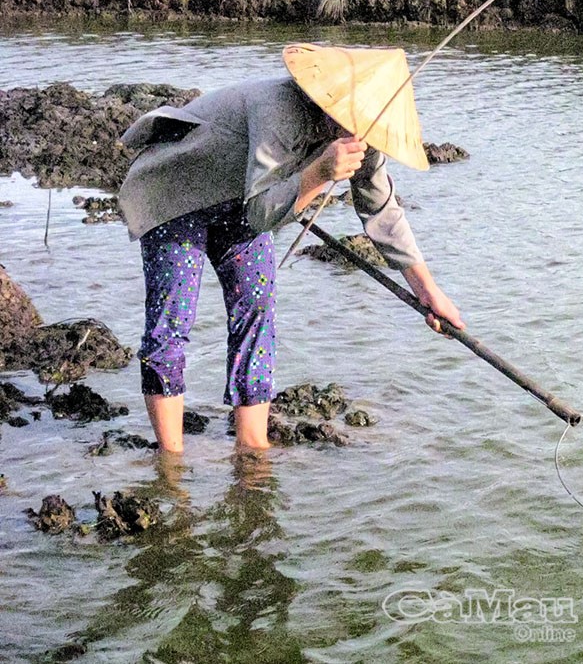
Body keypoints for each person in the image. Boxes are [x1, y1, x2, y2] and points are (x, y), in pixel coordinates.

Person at [118, 43, 465, 453]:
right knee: (173, 321)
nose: (361, 133)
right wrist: (318, 173)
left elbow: (381, 209)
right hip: (175, 192)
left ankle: (252, 447)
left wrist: (427, 289)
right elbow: (262, 213)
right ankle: (171, 461)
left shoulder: (365, 138)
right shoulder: (278, 108)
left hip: (243, 202)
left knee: (257, 312)